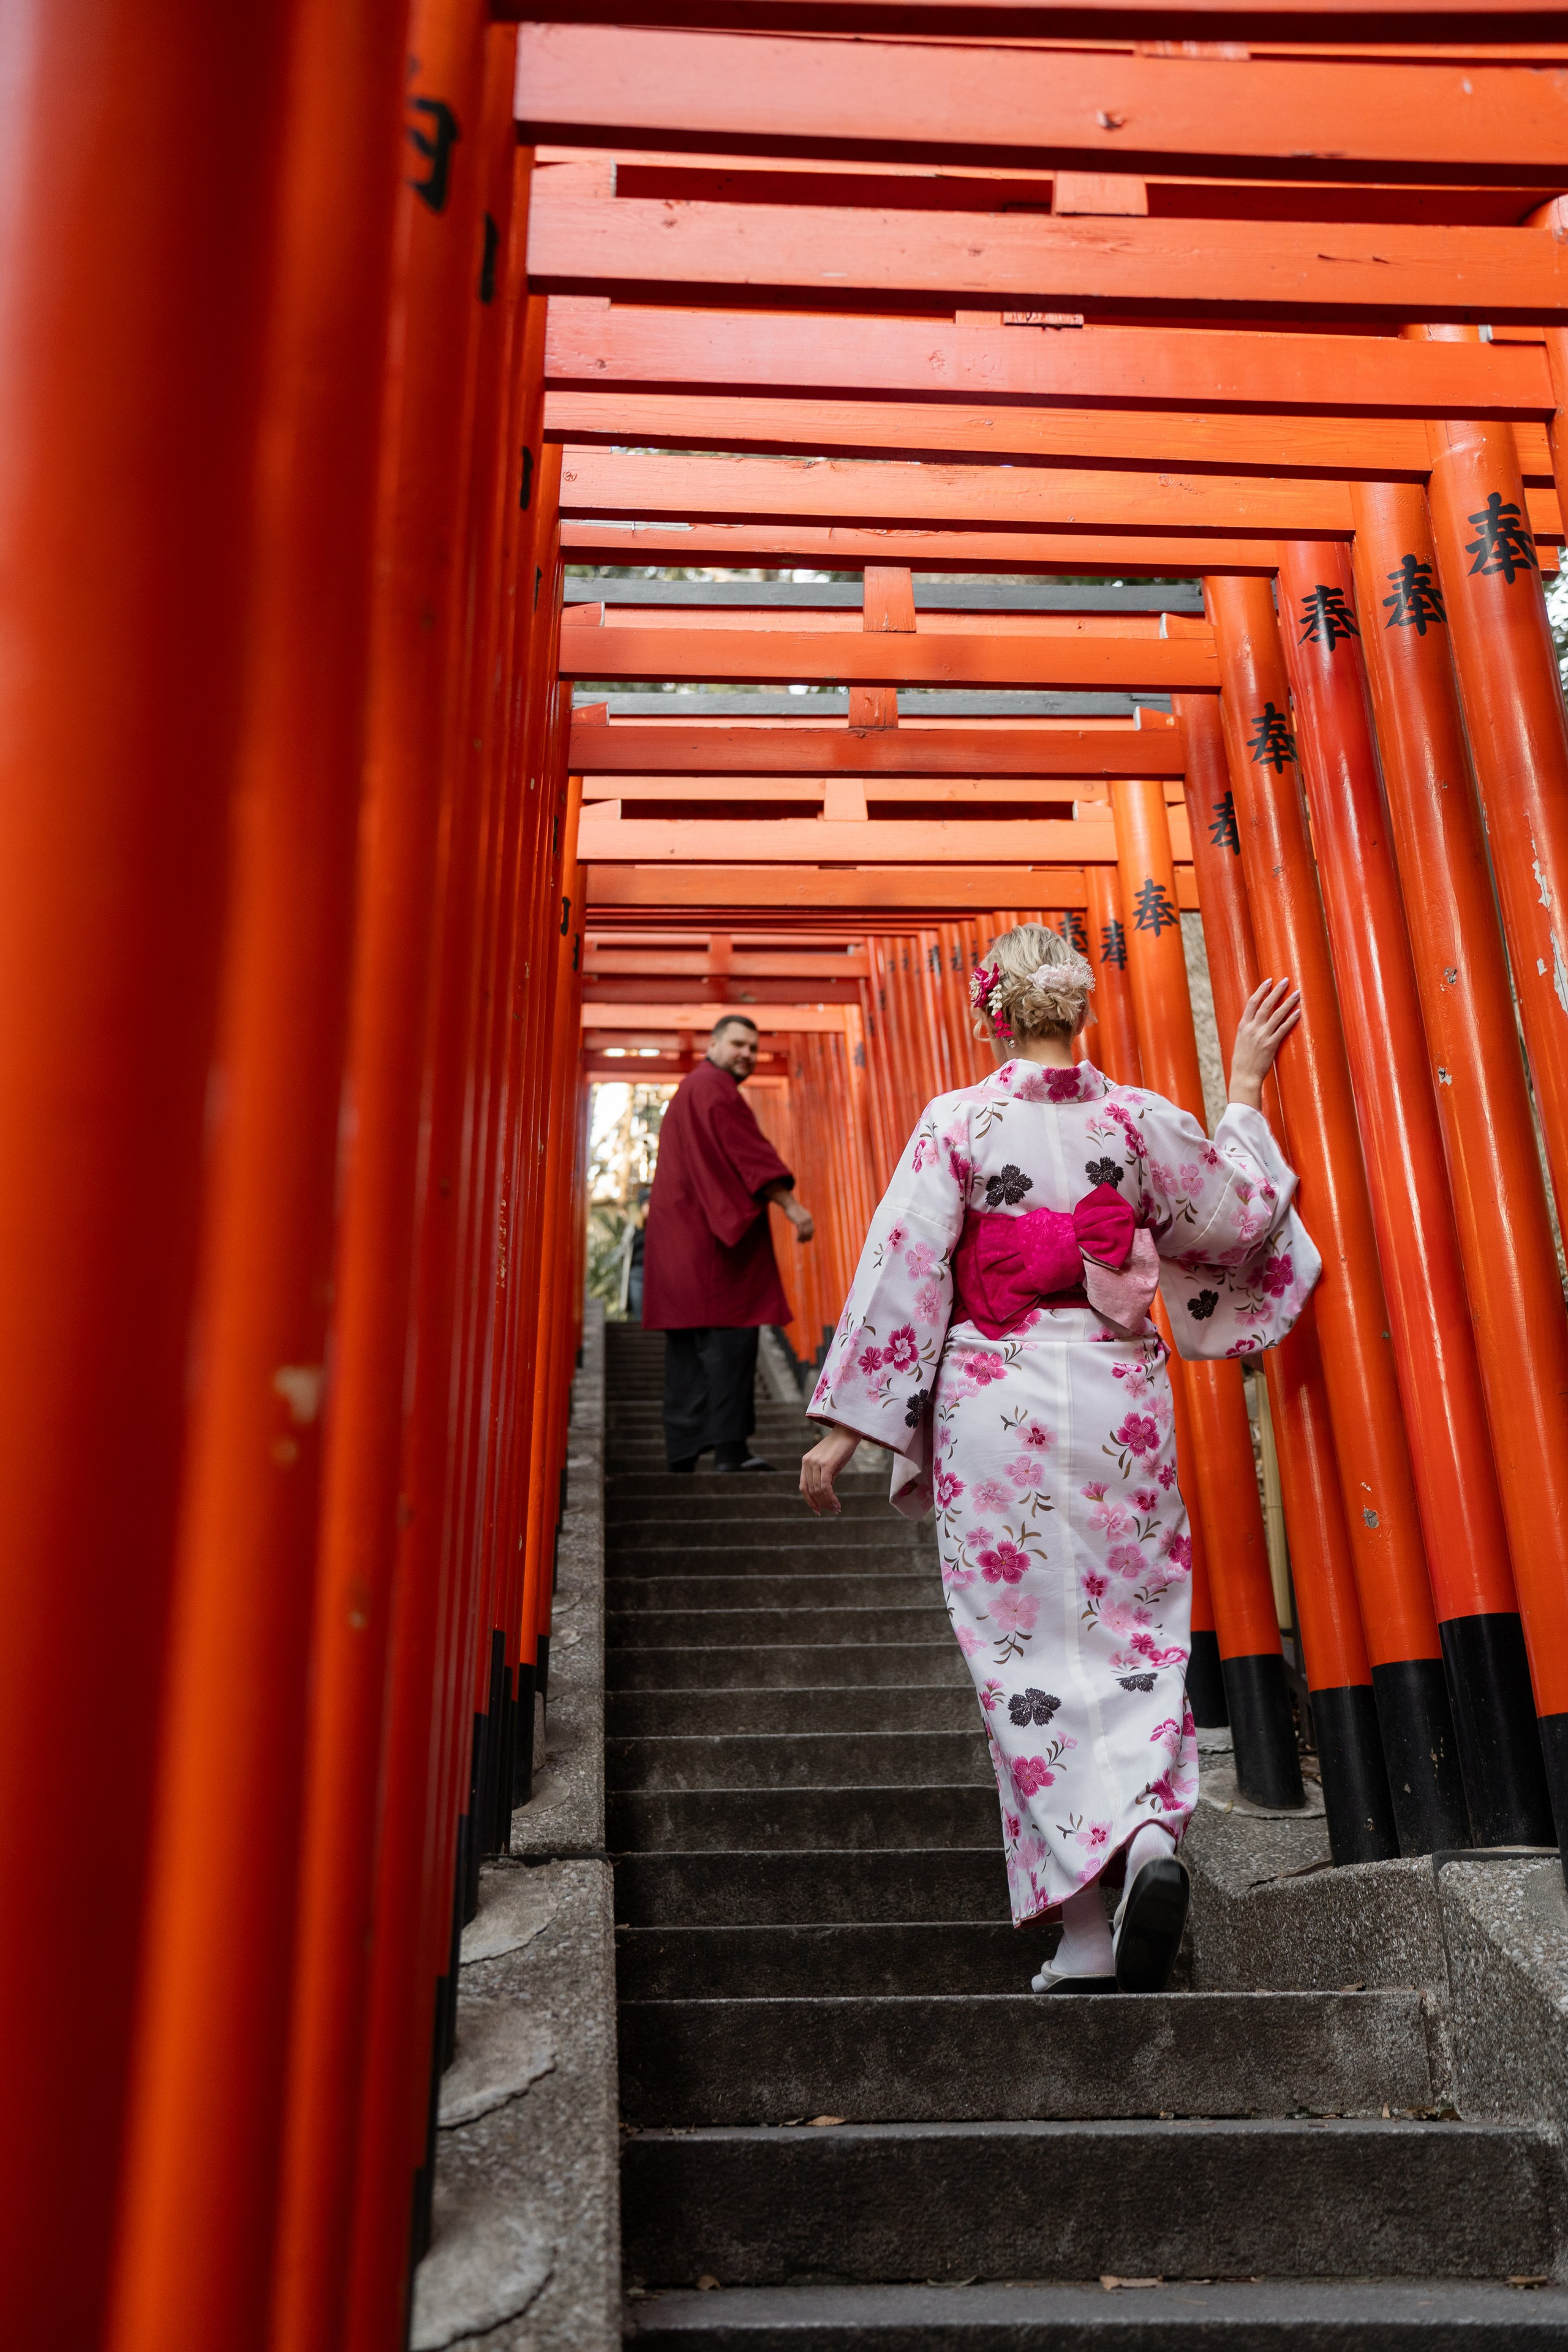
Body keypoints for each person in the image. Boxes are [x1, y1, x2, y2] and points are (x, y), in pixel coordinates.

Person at [799, 926, 1314, 1994]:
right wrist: (1249, 1083)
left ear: (994, 1010)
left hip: (998, 1397)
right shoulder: (1133, 1117)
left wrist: (851, 1424)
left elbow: (905, 1269)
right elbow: (1233, 1216)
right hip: (1118, 1393)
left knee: (1021, 1655)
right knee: (1133, 1624)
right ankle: (1148, 1841)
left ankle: (1083, 1923)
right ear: (1084, 1008)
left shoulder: (959, 1121)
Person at [643, 1012, 815, 1472]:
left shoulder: (691, 1089)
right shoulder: (714, 1089)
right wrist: (792, 1207)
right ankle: (730, 1452)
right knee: (732, 1345)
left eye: (753, 1048)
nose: (747, 1054)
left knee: (688, 1354)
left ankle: (682, 1452)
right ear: (714, 1044)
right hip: (714, 1245)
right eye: (738, 1043)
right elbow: (747, 1155)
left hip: (681, 1244)